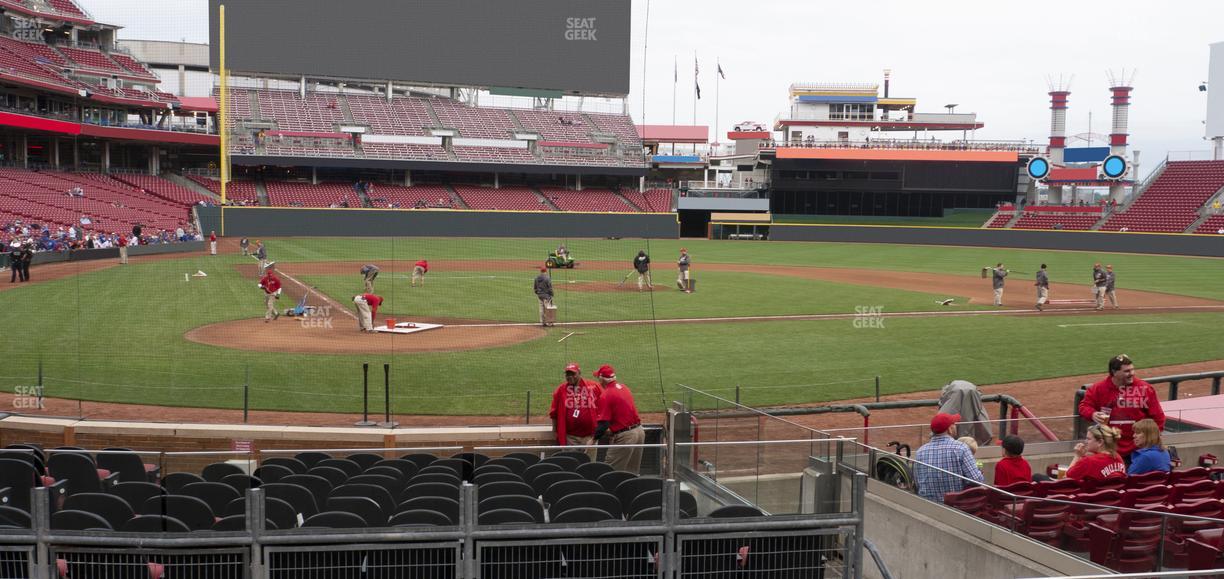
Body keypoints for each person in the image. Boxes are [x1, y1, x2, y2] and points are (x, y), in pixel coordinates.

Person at [1078, 354, 1166, 463]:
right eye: (1127, 371)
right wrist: (1092, 414)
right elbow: (1084, 406)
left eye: (1132, 370)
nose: (1132, 374)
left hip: (1138, 450)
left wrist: (1151, 441)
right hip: (1109, 449)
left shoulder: (1145, 388)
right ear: (1114, 372)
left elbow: (1158, 418)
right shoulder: (1098, 388)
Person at [913, 412, 984, 501]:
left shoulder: (920, 452)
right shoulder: (961, 448)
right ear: (949, 429)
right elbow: (976, 480)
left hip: (928, 506)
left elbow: (917, 483)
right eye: (953, 424)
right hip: (955, 507)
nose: (956, 426)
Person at [592, 365, 644, 474]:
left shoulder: (606, 395)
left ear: (602, 379)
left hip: (626, 437)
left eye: (598, 378)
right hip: (639, 432)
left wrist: (593, 439)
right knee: (631, 473)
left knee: (609, 472)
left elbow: (603, 425)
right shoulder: (624, 387)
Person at [549, 362, 602, 460]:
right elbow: (554, 412)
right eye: (567, 374)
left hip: (590, 437)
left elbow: (604, 406)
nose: (570, 376)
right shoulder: (561, 390)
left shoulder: (593, 386)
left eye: (573, 374)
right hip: (570, 438)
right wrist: (555, 429)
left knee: (589, 465)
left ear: (579, 373)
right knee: (571, 463)